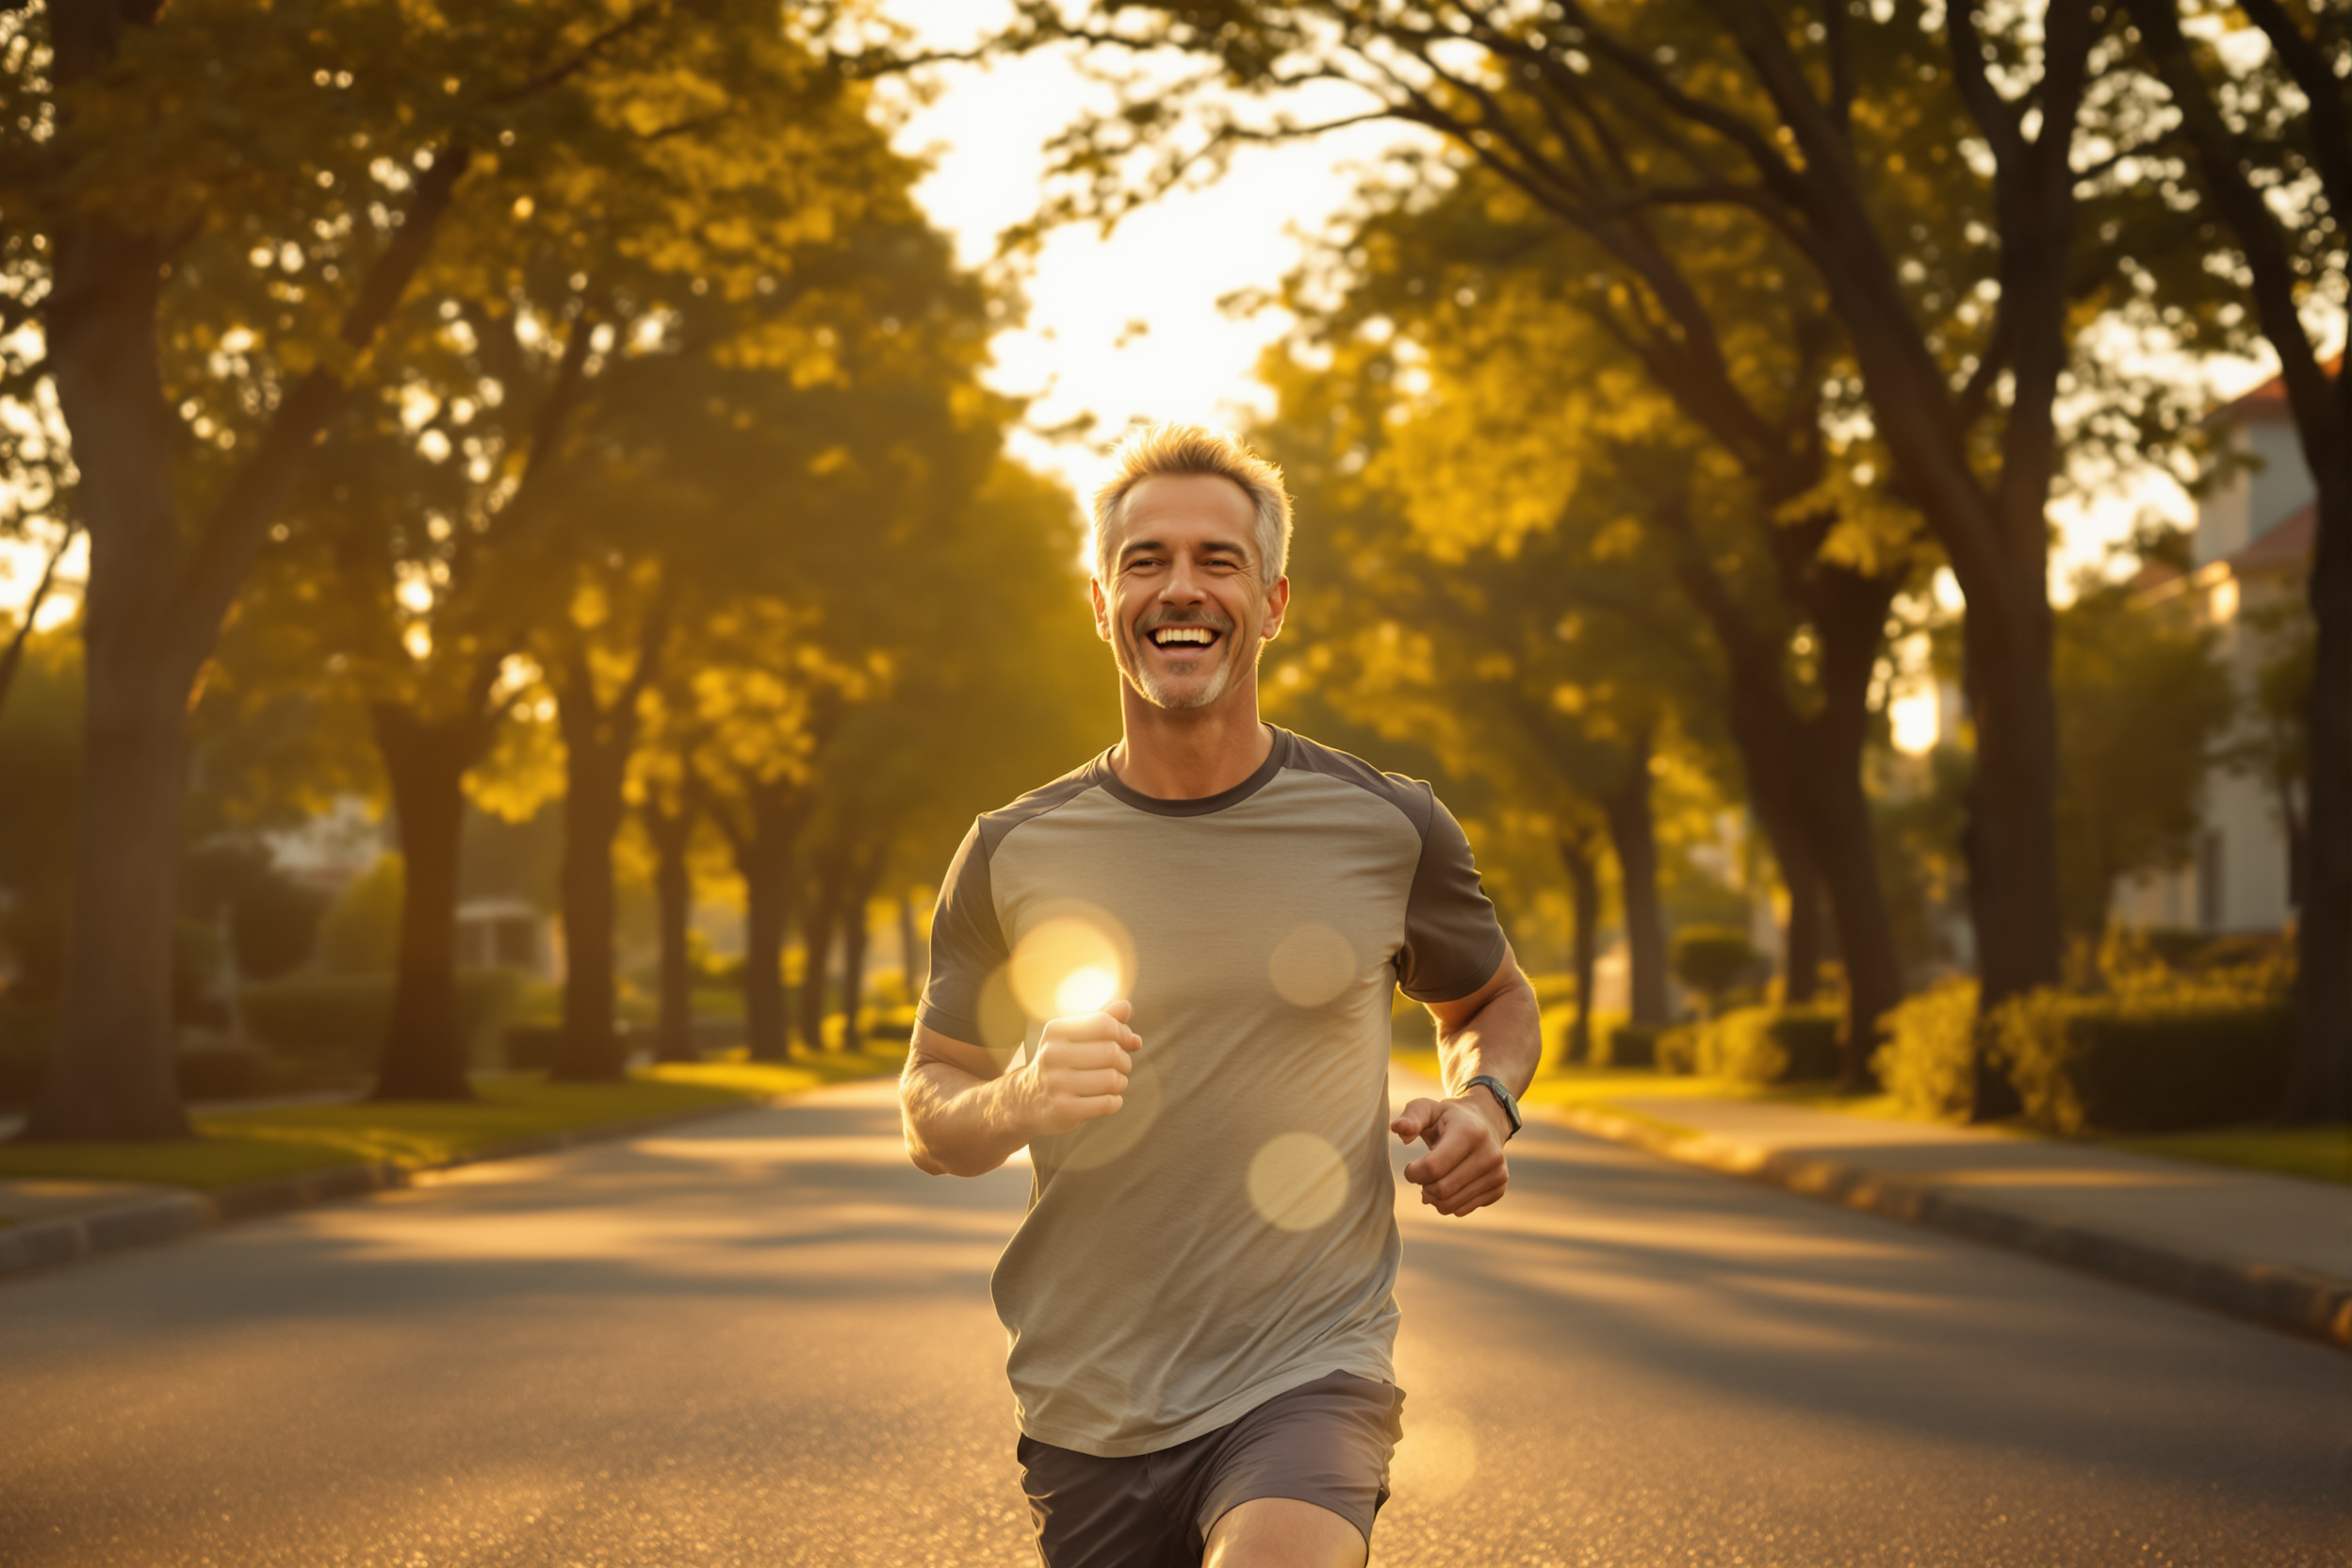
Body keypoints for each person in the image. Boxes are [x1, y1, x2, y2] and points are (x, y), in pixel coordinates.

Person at [898, 423, 1541, 1568]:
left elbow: (1491, 997)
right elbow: (929, 1105)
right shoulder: (1010, 848)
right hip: (1088, 1399)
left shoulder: (1387, 824)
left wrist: (1484, 1101)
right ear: (1101, 601)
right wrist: (1019, 1100)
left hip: (1309, 1366)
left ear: (1274, 600)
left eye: (1217, 559)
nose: (1180, 587)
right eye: (1146, 561)